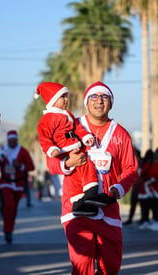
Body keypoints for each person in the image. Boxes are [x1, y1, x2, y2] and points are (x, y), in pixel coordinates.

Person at [46, 81, 138, 274]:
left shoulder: (120, 134)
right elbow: (51, 162)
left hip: (108, 209)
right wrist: (68, 163)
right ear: (86, 103)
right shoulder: (70, 127)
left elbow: (130, 168)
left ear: (111, 103)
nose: (99, 101)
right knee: (82, 265)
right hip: (76, 208)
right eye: (94, 97)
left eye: (104, 97)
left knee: (111, 266)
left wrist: (119, 188)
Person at [36, 82, 116, 216]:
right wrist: (51, 150)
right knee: (77, 174)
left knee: (86, 168)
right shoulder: (48, 118)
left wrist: (85, 137)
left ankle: (88, 199)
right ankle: (82, 201)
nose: (67, 100)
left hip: (74, 147)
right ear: (53, 100)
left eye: (67, 96)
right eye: (63, 97)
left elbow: (77, 128)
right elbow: (44, 136)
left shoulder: (67, 114)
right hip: (63, 151)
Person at [0, 130, 35, 244]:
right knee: (8, 204)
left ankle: (10, 229)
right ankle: (6, 230)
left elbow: (31, 166)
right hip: (6, 182)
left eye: (14, 141)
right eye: (10, 141)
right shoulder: (2, 150)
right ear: (7, 140)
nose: (12, 143)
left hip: (18, 183)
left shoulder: (22, 151)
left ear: (17, 140)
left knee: (14, 208)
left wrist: (20, 166)